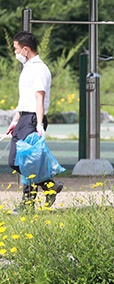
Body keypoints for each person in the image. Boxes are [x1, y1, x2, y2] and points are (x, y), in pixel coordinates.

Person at [6, 31, 63, 211]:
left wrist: (38, 124)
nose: (15, 52)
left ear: (25, 49)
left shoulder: (39, 68)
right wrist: (15, 120)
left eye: (16, 48)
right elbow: (26, 99)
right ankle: (49, 186)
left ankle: (27, 204)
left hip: (32, 118)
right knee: (15, 161)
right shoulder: (28, 68)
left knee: (26, 161)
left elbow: (40, 97)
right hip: (24, 117)